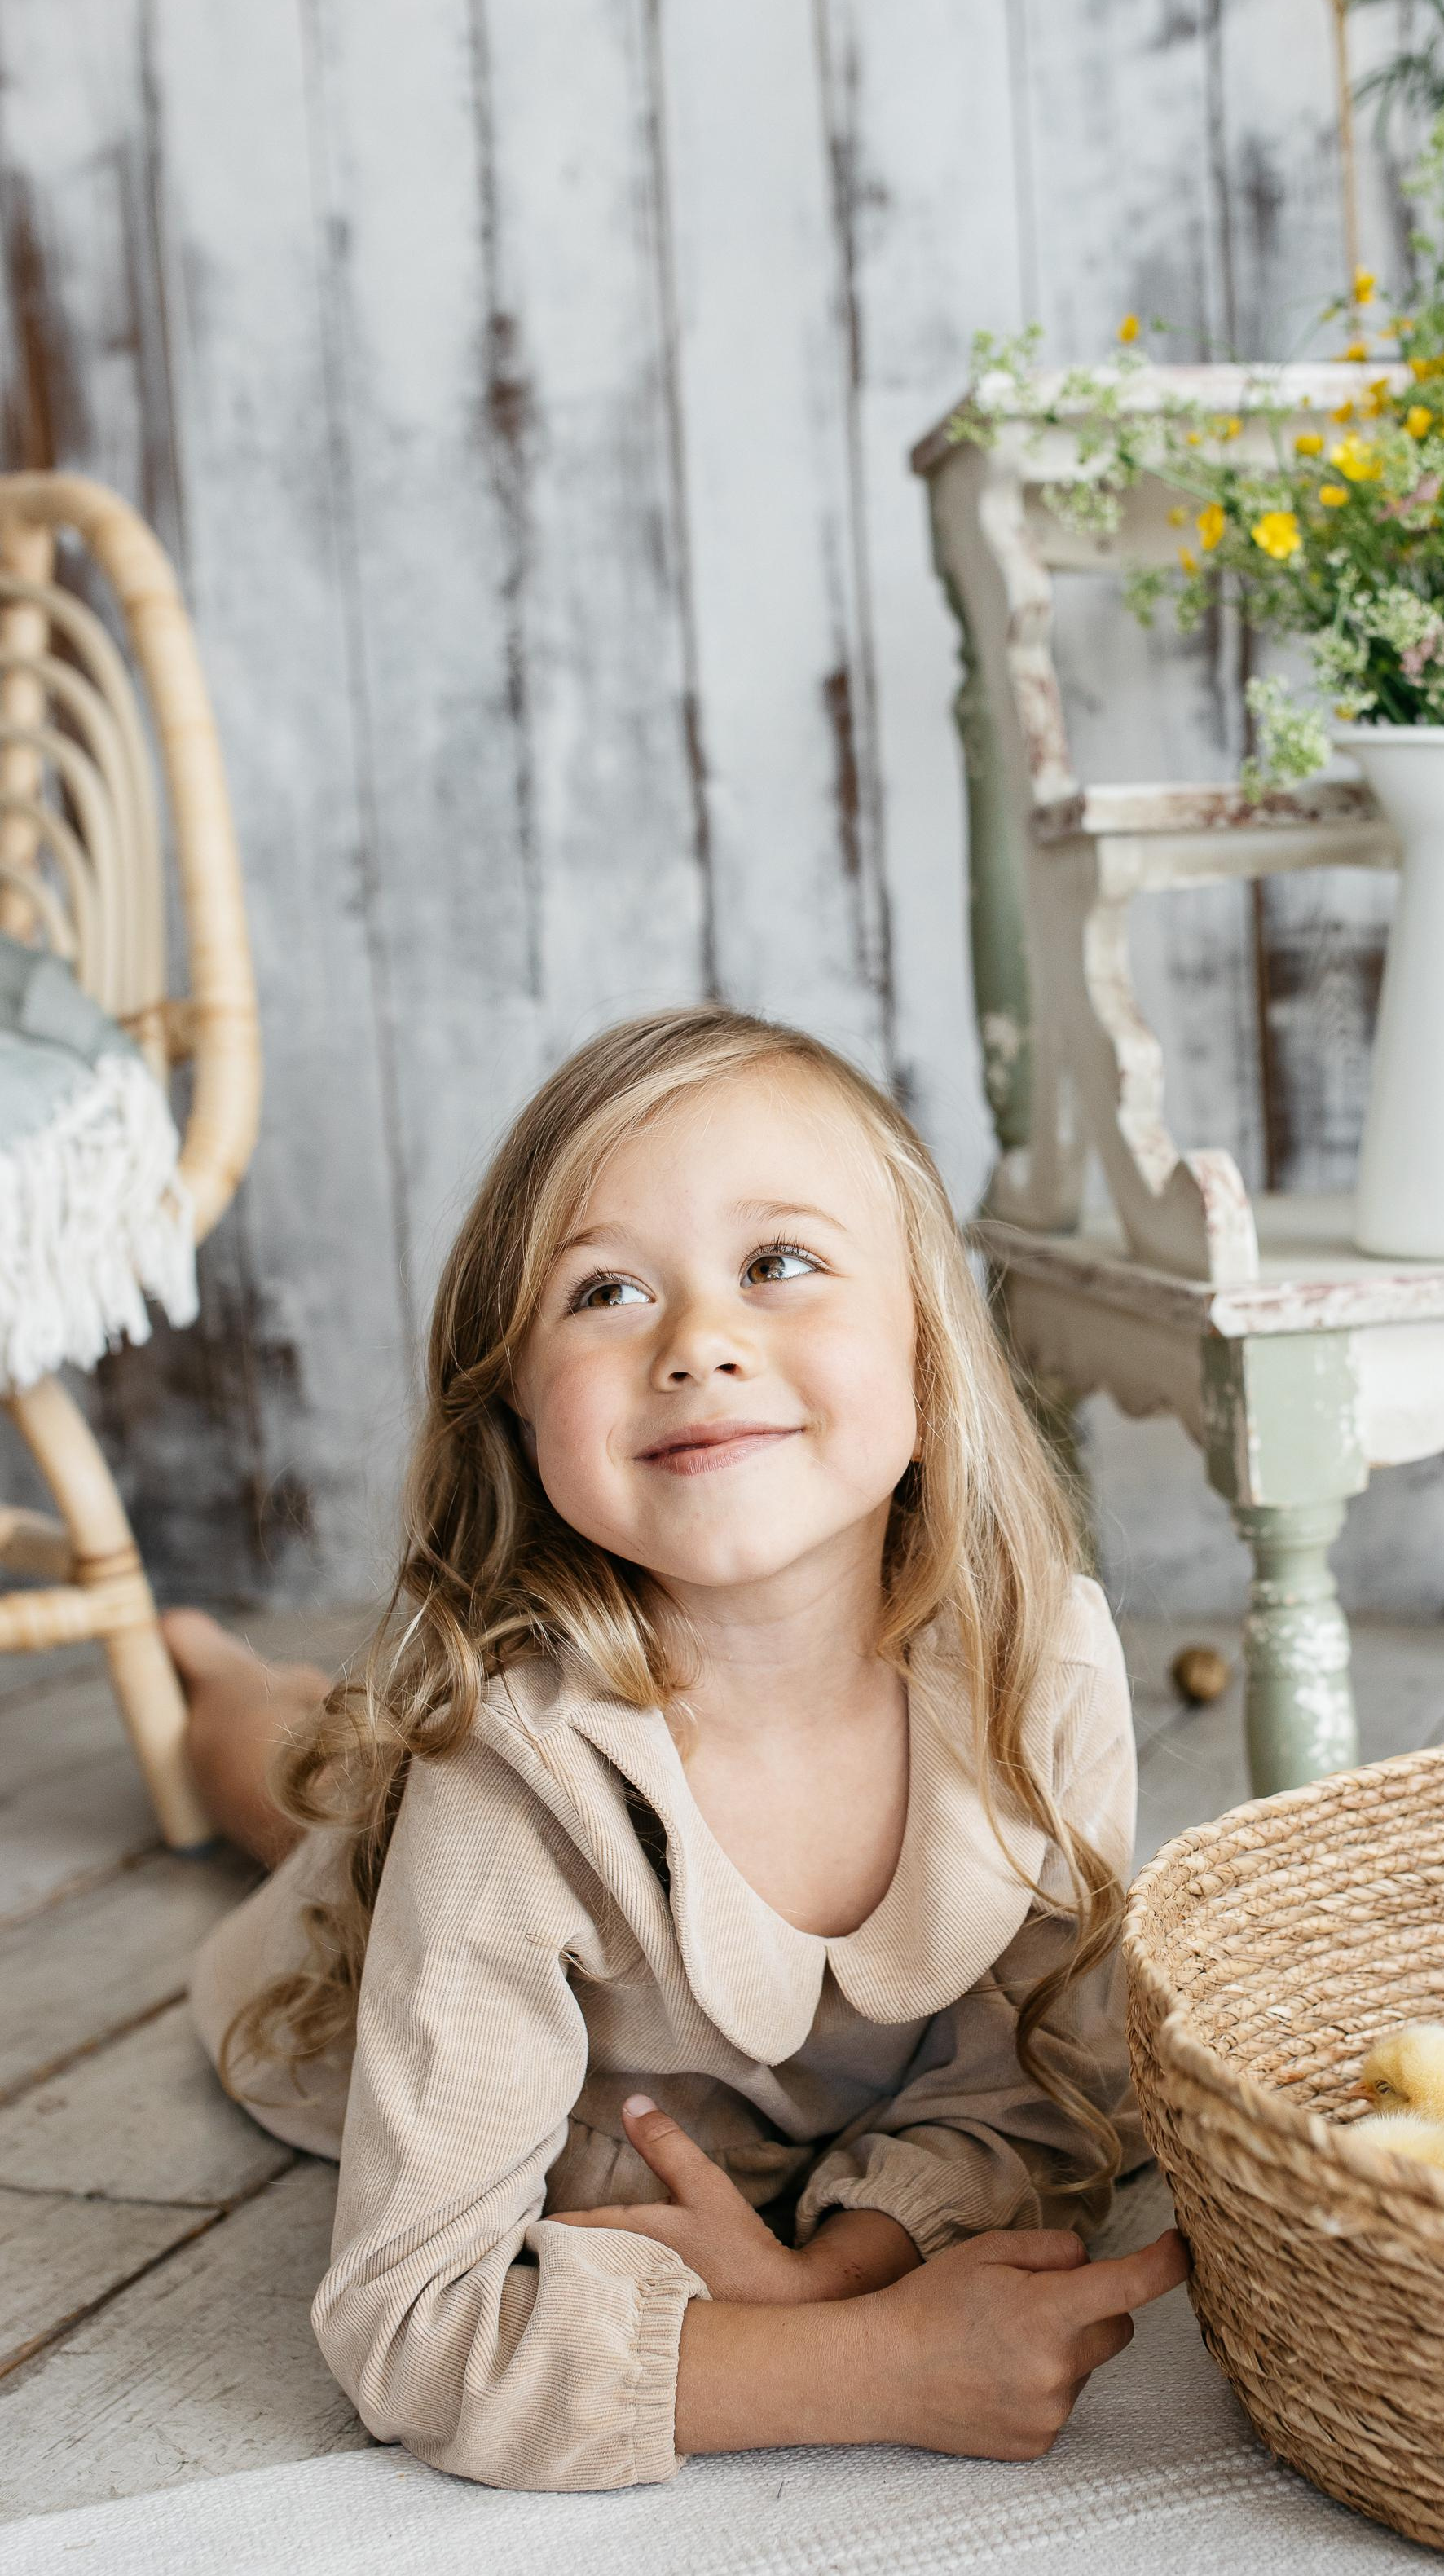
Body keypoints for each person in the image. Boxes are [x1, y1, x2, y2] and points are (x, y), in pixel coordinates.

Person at [174, 1006, 1184, 2493]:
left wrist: (834, 2270)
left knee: (339, 1763)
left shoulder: (1042, 1664)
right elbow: (414, 2324)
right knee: (299, 1794)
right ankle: (210, 1678)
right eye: (607, 1290)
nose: (700, 1343)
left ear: (929, 1346)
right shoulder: (503, 1786)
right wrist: (873, 2364)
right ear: (518, 1407)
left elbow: (1035, 2085)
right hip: (368, 1953)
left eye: (780, 1264)